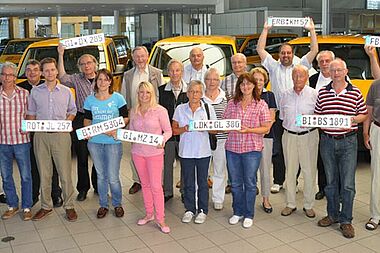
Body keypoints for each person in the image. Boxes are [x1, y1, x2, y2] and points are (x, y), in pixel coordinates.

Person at [257, 18, 318, 194]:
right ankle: (278, 180)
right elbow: (260, 49)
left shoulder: (300, 66)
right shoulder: (273, 66)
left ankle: (294, 181)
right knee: (279, 150)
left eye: (288, 53)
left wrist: (312, 30)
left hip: (295, 114)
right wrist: (265, 28)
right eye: (282, 53)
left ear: (293, 54)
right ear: (279, 55)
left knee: (296, 149)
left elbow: (314, 50)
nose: (285, 55)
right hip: (277, 114)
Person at [316, 58, 368, 238]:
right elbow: (317, 114)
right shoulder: (322, 93)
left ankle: (346, 220)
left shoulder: (355, 92)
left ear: (346, 72)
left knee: (347, 184)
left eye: (339, 70)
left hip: (348, 142)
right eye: (333, 70)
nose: (336, 73)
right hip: (327, 141)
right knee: (330, 182)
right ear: (328, 73)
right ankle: (332, 215)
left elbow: (363, 114)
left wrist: (353, 119)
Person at [27, 57, 78, 222]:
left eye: (52, 69)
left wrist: (67, 122)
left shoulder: (66, 91)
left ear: (57, 71)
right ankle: (45, 206)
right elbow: (32, 113)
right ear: (42, 73)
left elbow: (73, 110)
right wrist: (28, 127)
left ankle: (69, 206)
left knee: (65, 173)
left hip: (61, 137)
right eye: (46, 70)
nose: (50, 73)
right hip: (41, 137)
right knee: (44, 173)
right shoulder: (35, 91)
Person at [224, 73, 271, 228]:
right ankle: (237, 211)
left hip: (252, 149)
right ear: (239, 86)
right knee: (236, 183)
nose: (246, 86)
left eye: (249, 84)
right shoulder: (232, 103)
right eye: (242, 84)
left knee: (250, 183)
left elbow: (266, 127)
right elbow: (225, 123)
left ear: (254, 85)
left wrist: (249, 130)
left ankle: (249, 214)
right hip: (232, 148)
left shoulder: (261, 104)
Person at [83, 69, 128, 219]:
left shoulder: (118, 98)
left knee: (113, 176)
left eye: (105, 79)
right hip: (95, 142)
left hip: (113, 142)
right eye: (99, 79)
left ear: (110, 82)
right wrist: (86, 131)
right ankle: (103, 205)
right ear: (96, 82)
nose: (102, 82)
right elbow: (87, 120)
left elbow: (126, 118)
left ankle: (117, 204)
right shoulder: (90, 100)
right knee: (101, 175)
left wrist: (116, 128)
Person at [18, 59, 63, 207]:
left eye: (35, 69)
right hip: (27, 134)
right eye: (29, 70)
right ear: (25, 73)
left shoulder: (48, 88)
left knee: (53, 165)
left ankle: (55, 193)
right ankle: (34, 194)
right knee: (34, 166)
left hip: (48, 133)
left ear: (41, 73)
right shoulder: (20, 89)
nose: (32, 73)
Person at [121, 46, 164, 195]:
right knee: (136, 150)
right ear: (133, 58)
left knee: (154, 151)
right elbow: (124, 98)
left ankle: (156, 180)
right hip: (136, 118)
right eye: (137, 56)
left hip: (153, 119)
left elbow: (162, 96)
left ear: (147, 57)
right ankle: (137, 180)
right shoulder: (127, 75)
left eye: (142, 56)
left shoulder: (156, 73)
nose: (140, 59)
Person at [130, 81, 172, 233]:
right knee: (145, 185)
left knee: (155, 186)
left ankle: (161, 219)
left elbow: (168, 131)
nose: (144, 95)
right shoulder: (133, 111)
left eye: (147, 92)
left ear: (152, 94)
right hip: (138, 153)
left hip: (154, 153)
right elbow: (131, 132)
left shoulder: (160, 110)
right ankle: (149, 214)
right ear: (138, 94)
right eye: (141, 92)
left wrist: (162, 139)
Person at [172, 80, 217, 224]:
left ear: (202, 93)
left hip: (203, 151)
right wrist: (184, 129)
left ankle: (203, 209)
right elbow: (174, 130)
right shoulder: (180, 109)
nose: (194, 94)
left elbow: (215, 129)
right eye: (191, 91)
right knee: (188, 182)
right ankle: (190, 209)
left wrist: (205, 127)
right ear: (187, 93)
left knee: (203, 182)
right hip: (186, 152)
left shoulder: (208, 108)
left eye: (197, 91)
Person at [58, 43, 97, 201]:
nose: (86, 66)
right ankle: (83, 189)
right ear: (79, 67)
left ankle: (98, 185)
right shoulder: (76, 79)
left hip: (99, 118)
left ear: (95, 63)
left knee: (98, 155)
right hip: (81, 119)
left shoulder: (103, 77)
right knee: (82, 156)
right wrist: (61, 54)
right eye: (83, 64)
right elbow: (62, 77)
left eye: (89, 62)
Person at [279, 65, 318, 218]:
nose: (297, 79)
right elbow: (282, 117)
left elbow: (319, 115)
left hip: (309, 136)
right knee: (290, 171)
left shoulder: (314, 94)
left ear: (307, 77)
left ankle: (308, 205)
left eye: (301, 76)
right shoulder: (285, 95)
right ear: (291, 77)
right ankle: (290, 204)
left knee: (309, 171)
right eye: (295, 76)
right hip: (289, 136)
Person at [0, 62, 32, 221]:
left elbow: (31, 115)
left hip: (22, 141)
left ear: (15, 77)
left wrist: (28, 126)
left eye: (11, 75)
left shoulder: (25, 93)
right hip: (2, 142)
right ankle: (12, 205)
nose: (7, 78)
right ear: (1, 76)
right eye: (4, 74)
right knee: (6, 176)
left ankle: (27, 206)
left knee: (26, 176)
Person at [158, 59, 189, 203]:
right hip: (167, 134)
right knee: (167, 163)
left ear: (182, 72)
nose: (175, 73)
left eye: (178, 70)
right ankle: (168, 191)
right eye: (172, 70)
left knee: (184, 162)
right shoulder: (161, 90)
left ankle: (184, 190)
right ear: (168, 72)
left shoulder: (189, 90)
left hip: (185, 134)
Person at [309, 50, 335, 200]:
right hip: (317, 125)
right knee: (320, 158)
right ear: (318, 64)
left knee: (333, 159)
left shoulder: (340, 77)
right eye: (322, 61)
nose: (324, 64)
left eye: (327, 61)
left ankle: (334, 189)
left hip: (335, 125)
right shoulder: (312, 79)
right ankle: (322, 188)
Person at [250, 67, 276, 213]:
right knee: (249, 169)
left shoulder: (269, 95)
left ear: (265, 80)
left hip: (266, 137)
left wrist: (263, 131)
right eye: (256, 79)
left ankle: (266, 199)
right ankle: (250, 196)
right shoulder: (247, 95)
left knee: (265, 169)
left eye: (261, 79)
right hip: (249, 137)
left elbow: (272, 117)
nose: (259, 82)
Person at [221, 53, 248, 193]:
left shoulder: (251, 79)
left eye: (240, 62)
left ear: (245, 63)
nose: (237, 65)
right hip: (232, 124)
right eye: (234, 63)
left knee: (249, 155)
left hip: (249, 124)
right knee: (232, 155)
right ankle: (232, 182)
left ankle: (250, 184)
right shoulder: (225, 81)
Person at [202, 68, 228, 210]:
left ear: (219, 81)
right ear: (204, 81)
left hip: (222, 140)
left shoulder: (226, 98)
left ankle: (218, 198)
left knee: (219, 170)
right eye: (209, 79)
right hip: (203, 140)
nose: (212, 82)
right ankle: (201, 197)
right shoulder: (199, 97)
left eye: (215, 79)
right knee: (202, 171)